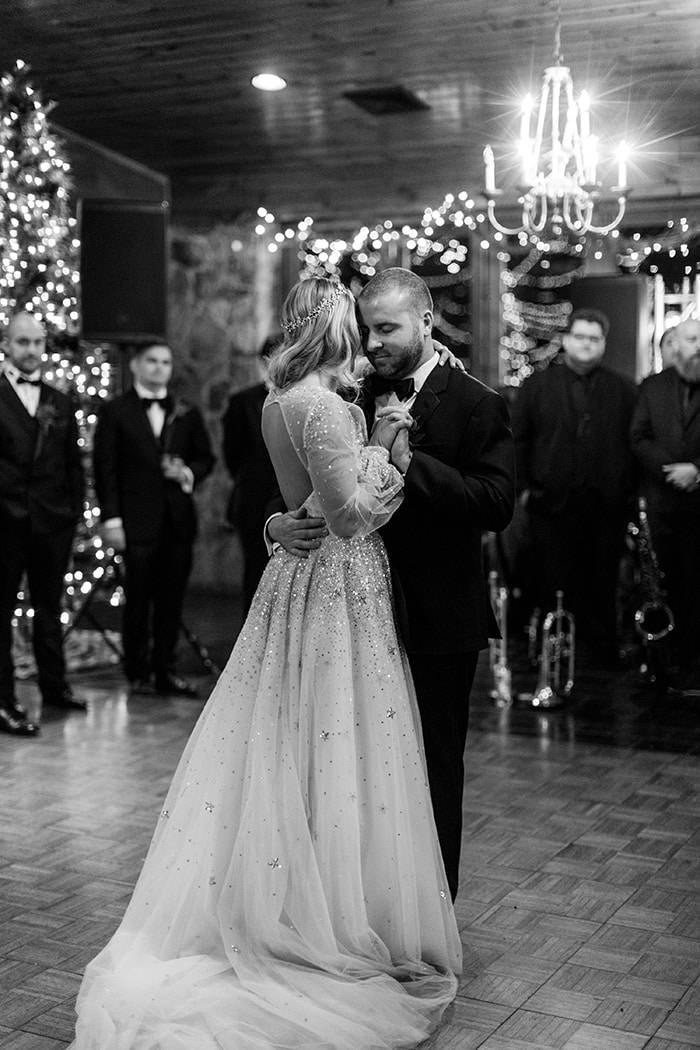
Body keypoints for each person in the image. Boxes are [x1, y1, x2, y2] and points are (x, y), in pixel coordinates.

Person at [70, 277, 461, 1049]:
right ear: (335, 324)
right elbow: (348, 515)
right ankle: (330, 916)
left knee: (303, 733)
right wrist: (386, 446)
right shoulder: (319, 403)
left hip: (299, 578)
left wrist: (279, 522)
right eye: (357, 321)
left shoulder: (279, 399)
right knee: (340, 735)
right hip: (337, 585)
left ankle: (305, 893)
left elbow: (299, 501)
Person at [268, 267, 515, 900]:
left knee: (431, 771)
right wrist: (272, 523)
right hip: (351, 610)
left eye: (387, 330)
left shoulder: (477, 402)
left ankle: (431, 914)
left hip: (437, 615)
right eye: (366, 329)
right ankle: (365, 907)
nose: (373, 344)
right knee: (354, 769)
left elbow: (494, 502)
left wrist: (410, 461)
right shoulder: (347, 390)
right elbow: (294, 476)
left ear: (426, 323)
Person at [511, 308, 637, 663]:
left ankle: (602, 649)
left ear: (604, 344)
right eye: (580, 337)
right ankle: (552, 648)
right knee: (551, 580)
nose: (586, 344)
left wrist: (624, 491)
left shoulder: (623, 389)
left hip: (605, 505)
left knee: (603, 579)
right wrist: (526, 489)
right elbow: (519, 441)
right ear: (566, 340)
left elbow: (633, 444)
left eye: (594, 339)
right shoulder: (537, 385)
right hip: (551, 503)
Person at [93, 342, 215, 697]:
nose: (159, 368)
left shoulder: (186, 411)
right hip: (135, 521)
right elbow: (106, 470)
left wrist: (187, 472)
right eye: (152, 361)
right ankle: (137, 671)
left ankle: (166, 668)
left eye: (165, 362)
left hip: (177, 521)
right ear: (135, 365)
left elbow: (206, 458)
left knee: (171, 599)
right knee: (138, 599)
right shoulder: (115, 411)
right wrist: (111, 519)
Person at [0, 312, 86, 737]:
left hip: (53, 522)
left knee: (49, 609)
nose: (30, 350)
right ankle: (3, 701)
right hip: (5, 522)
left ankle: (55, 686)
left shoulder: (60, 400)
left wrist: (72, 514)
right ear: (8, 344)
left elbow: (73, 464)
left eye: (36, 342)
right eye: (22, 342)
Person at [630, 317, 700, 696]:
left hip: (698, 507)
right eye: (691, 340)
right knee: (661, 587)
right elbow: (637, 437)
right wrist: (669, 471)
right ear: (676, 345)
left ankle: (691, 662)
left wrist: (697, 472)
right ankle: (661, 660)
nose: (697, 348)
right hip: (660, 506)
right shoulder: (652, 387)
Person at [222, 333, 281, 610]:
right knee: (257, 574)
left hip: (294, 503)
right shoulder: (242, 402)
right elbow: (232, 455)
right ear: (264, 362)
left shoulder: (306, 398)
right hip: (254, 502)